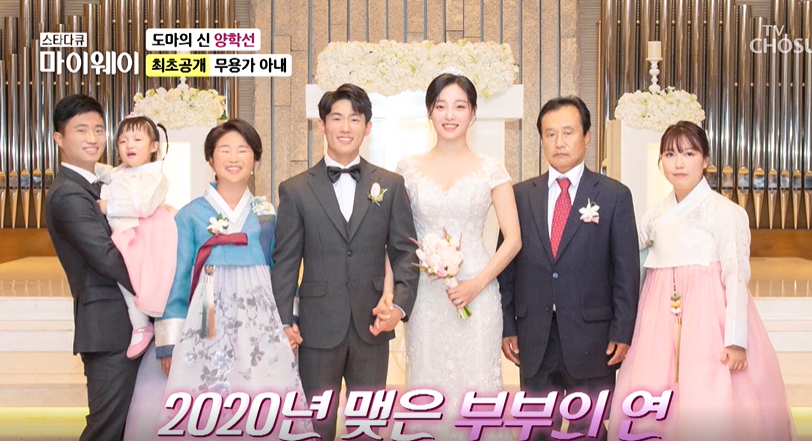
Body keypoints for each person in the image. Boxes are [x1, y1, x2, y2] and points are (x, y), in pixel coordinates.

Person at [607, 121, 798, 441]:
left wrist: (736, 340)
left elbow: (736, 277)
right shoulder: (654, 215)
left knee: (709, 394)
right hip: (659, 320)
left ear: (705, 159)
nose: (678, 163)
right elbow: (629, 258)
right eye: (670, 154)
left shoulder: (726, 213)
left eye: (689, 153)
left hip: (709, 321)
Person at [143, 119, 311, 438]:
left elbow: (283, 272)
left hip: (258, 324)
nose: (234, 158)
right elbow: (178, 278)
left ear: (255, 159)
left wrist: (288, 322)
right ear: (210, 159)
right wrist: (169, 344)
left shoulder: (267, 213)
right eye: (224, 150)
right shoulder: (190, 214)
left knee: (261, 401)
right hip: (206, 323)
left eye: (243, 150)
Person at [271, 83, 420, 440]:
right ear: (321, 125)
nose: (345, 127)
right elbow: (286, 261)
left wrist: (399, 306)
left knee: (367, 427)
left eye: (355, 119)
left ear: (368, 127)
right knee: (315, 427)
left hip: (372, 327)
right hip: (316, 329)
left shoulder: (390, 184)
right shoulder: (295, 189)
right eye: (336, 118)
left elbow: (405, 253)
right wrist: (282, 322)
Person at [498, 96, 640, 441]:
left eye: (567, 132)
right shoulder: (519, 196)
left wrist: (623, 331)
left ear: (586, 137)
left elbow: (626, 272)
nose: (559, 142)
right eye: (550, 134)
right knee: (535, 430)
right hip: (534, 337)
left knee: (588, 429)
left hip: (593, 339)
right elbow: (507, 270)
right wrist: (507, 325)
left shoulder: (614, 196)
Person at [394, 72, 522, 440]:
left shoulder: (491, 168)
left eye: (460, 106)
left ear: (473, 112)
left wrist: (476, 284)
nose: (450, 115)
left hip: (478, 292)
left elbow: (513, 239)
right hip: (427, 295)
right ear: (429, 112)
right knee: (427, 381)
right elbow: (398, 237)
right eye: (441, 106)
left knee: (477, 382)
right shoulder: (407, 168)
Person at [45, 94, 140, 441]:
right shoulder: (69, 194)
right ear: (59, 138)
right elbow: (106, 258)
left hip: (122, 325)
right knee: (106, 429)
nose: (93, 138)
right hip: (109, 328)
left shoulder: (99, 186)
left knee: (124, 427)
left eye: (99, 129)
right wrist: (159, 284)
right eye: (81, 130)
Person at [95, 113, 177, 359]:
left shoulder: (155, 176)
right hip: (128, 231)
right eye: (123, 141)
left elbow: (144, 207)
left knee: (135, 279)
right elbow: (105, 172)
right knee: (126, 278)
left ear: (153, 146)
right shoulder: (121, 171)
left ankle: (142, 325)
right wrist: (86, 165)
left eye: (137, 139)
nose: (129, 145)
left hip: (144, 233)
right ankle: (141, 325)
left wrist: (109, 206)